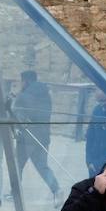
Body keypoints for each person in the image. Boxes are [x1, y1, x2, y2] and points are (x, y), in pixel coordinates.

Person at [12, 69, 62, 200]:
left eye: (21, 81)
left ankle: (15, 194)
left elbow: (17, 115)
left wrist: (16, 96)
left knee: (17, 166)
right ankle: (56, 189)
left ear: (26, 81)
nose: (20, 84)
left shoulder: (23, 95)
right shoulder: (46, 95)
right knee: (42, 166)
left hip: (27, 138)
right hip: (43, 136)